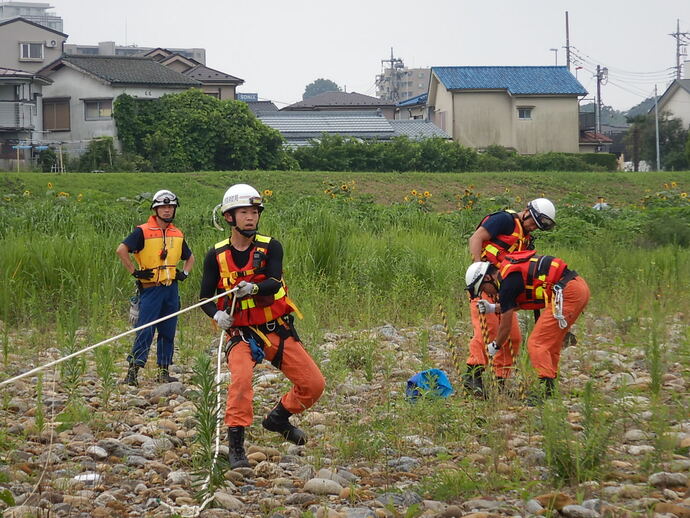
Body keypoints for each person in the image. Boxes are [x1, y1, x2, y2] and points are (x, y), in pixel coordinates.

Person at [198, 183, 325, 469]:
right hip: (241, 334)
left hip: (275, 329)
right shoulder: (215, 256)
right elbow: (205, 298)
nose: (251, 217)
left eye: (254, 212)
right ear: (229, 217)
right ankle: (236, 447)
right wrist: (216, 315)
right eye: (244, 212)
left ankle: (278, 418)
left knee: (313, 385)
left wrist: (252, 289)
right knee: (241, 380)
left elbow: (273, 281)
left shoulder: (271, 247)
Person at [465, 250, 590, 405]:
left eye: (483, 288)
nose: (486, 292)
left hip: (568, 293)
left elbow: (505, 323)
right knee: (551, 343)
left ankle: (546, 392)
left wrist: (496, 345)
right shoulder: (508, 275)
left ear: (488, 278)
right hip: (577, 288)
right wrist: (492, 308)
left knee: (537, 343)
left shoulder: (506, 283)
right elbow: (513, 305)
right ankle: (550, 387)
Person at [463, 198, 556, 397]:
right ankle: (473, 377)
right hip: (486, 284)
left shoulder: (527, 238)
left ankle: (501, 381)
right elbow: (475, 239)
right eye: (533, 223)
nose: (533, 228)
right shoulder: (503, 220)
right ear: (527, 212)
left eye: (538, 227)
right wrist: (479, 269)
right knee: (487, 331)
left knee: (513, 336)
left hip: (505, 290)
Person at [117, 189, 195, 386]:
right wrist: (135, 272)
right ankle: (132, 373)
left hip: (171, 289)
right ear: (156, 209)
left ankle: (163, 371)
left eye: (170, 207)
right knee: (145, 330)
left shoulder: (177, 233)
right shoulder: (142, 231)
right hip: (151, 288)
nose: (167, 210)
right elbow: (121, 250)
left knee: (168, 330)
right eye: (163, 207)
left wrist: (184, 273)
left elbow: (190, 257)